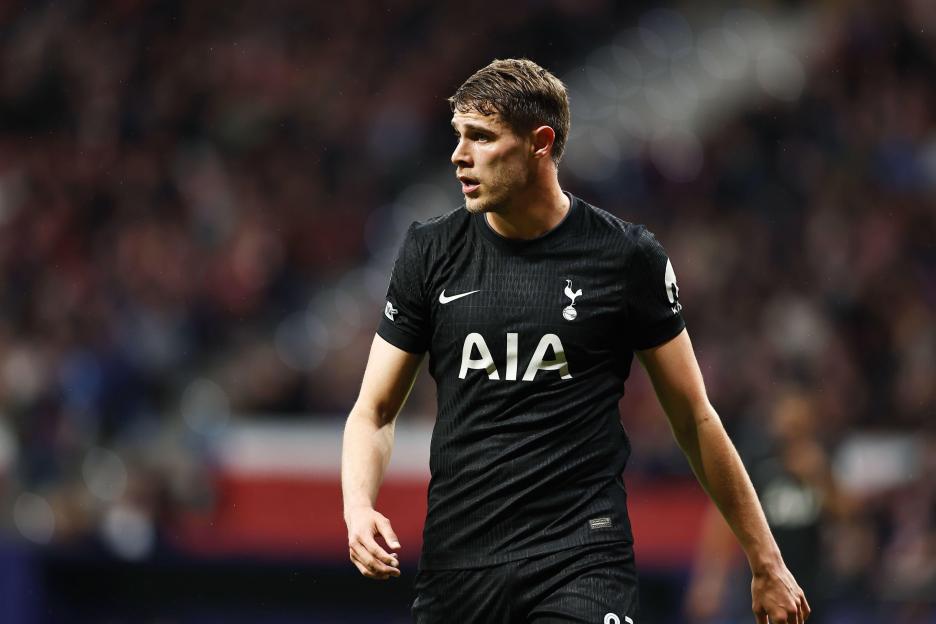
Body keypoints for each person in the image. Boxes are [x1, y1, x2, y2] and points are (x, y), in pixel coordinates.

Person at [342, 58, 810, 624]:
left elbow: (694, 417)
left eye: (482, 138)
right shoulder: (430, 254)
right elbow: (374, 412)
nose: (458, 155)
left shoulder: (624, 258)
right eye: (458, 136)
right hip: (459, 566)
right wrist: (357, 506)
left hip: (582, 559)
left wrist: (766, 560)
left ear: (540, 143)